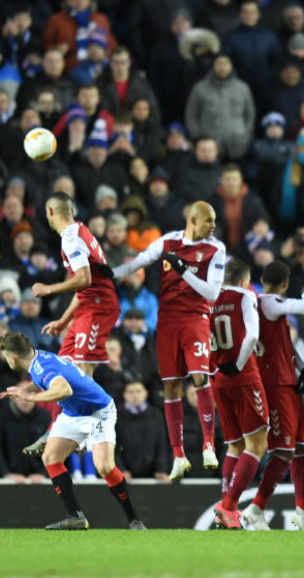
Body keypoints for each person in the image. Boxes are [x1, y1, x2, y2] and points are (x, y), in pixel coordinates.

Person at [112, 202, 227, 481]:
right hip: (167, 322)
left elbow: (212, 293)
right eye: (208, 220)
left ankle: (208, 444)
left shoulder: (216, 249)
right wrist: (106, 274)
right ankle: (178, 455)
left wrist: (184, 271)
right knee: (171, 386)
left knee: (200, 376)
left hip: (196, 318)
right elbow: (137, 263)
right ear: (193, 219)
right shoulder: (167, 241)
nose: (213, 225)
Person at [0, 332, 145, 530]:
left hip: (98, 411)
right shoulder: (37, 356)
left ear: (12, 357)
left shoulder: (42, 367)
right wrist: (27, 389)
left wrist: (27, 396)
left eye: (6, 358)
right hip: (73, 412)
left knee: (104, 467)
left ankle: (134, 519)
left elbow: (64, 390)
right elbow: (47, 379)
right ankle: (75, 516)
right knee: (50, 457)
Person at [244, 261, 304, 531]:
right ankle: (256, 507)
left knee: (300, 451)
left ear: (263, 278)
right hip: (274, 384)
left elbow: (283, 346)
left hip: (288, 382)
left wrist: (301, 367)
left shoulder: (259, 306)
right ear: (286, 283)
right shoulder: (269, 303)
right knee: (284, 451)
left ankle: (302, 513)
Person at [208, 260, 269, 529]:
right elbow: (252, 336)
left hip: (218, 379)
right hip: (242, 376)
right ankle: (230, 505)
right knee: (257, 445)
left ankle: (225, 508)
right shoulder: (245, 295)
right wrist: (240, 363)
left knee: (235, 445)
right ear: (245, 281)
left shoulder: (209, 300)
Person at [34, 193, 120, 376]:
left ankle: (94, 406)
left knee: (83, 368)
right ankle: (70, 405)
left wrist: (48, 289)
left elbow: (84, 279)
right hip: (90, 304)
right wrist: (63, 321)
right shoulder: (81, 229)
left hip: (99, 308)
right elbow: (84, 289)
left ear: (50, 211)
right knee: (65, 366)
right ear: (71, 211)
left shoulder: (71, 239)